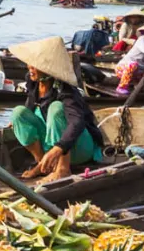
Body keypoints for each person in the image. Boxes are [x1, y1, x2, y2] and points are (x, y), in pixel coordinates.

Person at [6, 37, 106, 182]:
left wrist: (59, 148)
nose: (30, 67)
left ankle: (63, 169)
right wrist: (18, 121)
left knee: (56, 108)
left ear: (47, 69)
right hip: (53, 144)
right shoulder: (33, 81)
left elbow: (76, 122)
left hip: (78, 147)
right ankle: (43, 164)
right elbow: (31, 103)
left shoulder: (66, 90)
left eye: (34, 65)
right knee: (18, 113)